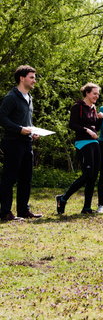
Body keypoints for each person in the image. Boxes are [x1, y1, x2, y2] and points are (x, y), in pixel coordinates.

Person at [0, 65, 42, 221]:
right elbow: (2, 118)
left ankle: (23, 211)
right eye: (31, 77)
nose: (34, 80)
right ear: (21, 78)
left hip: (27, 143)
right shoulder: (11, 97)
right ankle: (4, 212)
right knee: (9, 178)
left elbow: (27, 122)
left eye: (34, 77)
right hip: (13, 143)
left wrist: (32, 132)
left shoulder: (29, 97)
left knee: (26, 178)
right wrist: (19, 129)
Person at [56, 83, 103, 215]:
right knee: (87, 174)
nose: (97, 96)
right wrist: (87, 130)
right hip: (82, 143)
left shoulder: (94, 108)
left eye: (98, 94)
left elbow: (96, 128)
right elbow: (72, 124)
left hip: (94, 143)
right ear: (87, 93)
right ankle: (63, 198)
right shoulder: (77, 107)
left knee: (93, 176)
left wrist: (100, 120)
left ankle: (86, 208)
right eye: (95, 93)